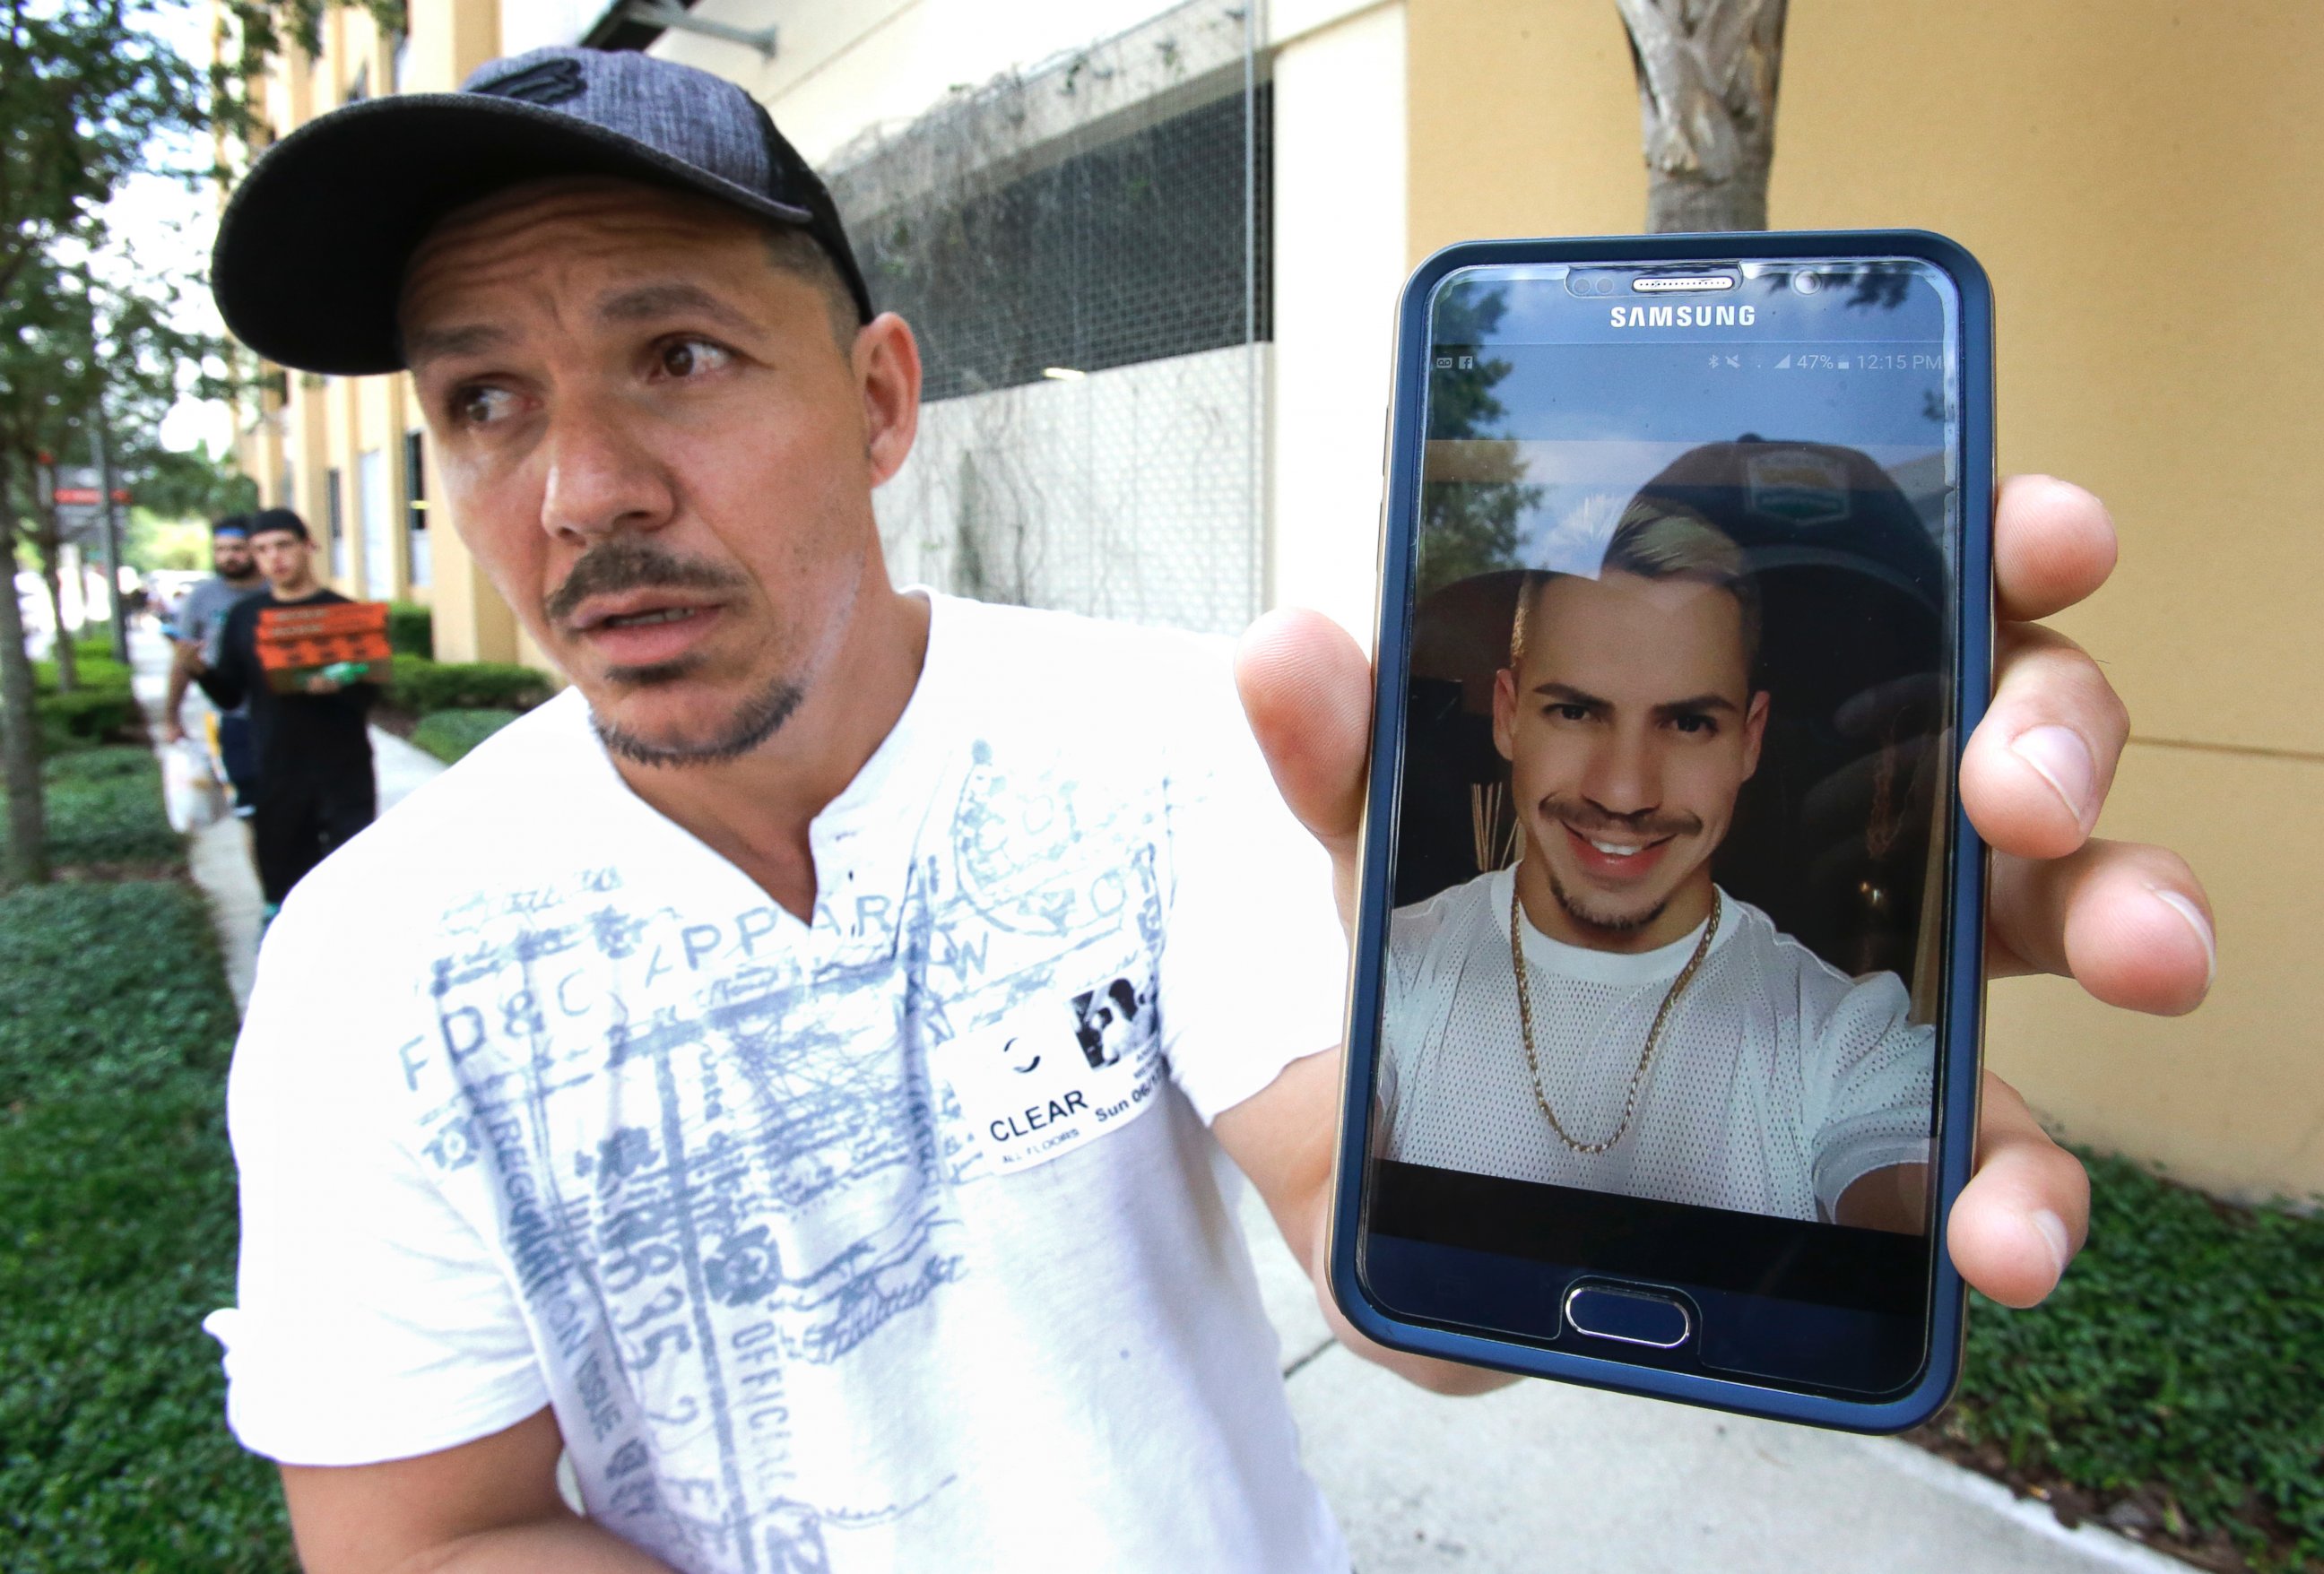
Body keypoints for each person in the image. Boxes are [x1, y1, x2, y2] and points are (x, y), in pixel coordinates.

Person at [198, 45, 2214, 1574]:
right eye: (484, 401)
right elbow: (423, 1532)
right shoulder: (374, 964)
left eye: (681, 352)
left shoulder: (1156, 734)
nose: (581, 489)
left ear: (884, 397)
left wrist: (1752, 1132)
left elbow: (1383, 1250)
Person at [1382, 498, 1932, 1228]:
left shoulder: (1843, 1036)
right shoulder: (1388, 968)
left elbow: (1899, 1184)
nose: (1623, 793)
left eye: (1687, 723)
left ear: (1750, 740)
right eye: (1576, 712)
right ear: (1510, 716)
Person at [194, 509, 378, 916]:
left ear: (307, 546)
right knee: (284, 879)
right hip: (277, 767)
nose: (274, 558)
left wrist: (340, 686)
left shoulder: (345, 613)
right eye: (261, 550)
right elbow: (230, 695)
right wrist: (199, 671)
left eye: (283, 545)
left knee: (352, 878)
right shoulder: (246, 617)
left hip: (343, 768)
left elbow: (372, 693)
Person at [161, 515, 266, 814]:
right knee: (250, 811)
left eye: (237, 548)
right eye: (220, 549)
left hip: (284, 715)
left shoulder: (276, 591)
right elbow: (182, 661)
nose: (228, 557)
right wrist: (172, 717)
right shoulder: (202, 598)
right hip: (233, 714)